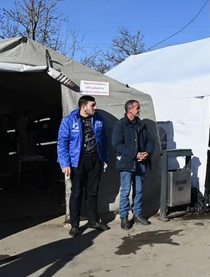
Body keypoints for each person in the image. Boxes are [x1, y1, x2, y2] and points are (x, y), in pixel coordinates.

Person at [58, 95, 110, 236]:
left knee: (92, 192)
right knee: (76, 193)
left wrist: (104, 158)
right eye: (92, 105)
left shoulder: (98, 119)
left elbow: (103, 140)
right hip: (77, 162)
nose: (95, 108)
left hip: (95, 160)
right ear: (83, 107)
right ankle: (74, 224)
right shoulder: (69, 120)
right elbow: (62, 142)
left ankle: (93, 220)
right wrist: (64, 163)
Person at [112, 99, 154, 230]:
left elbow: (150, 140)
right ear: (129, 110)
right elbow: (117, 145)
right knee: (125, 191)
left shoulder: (141, 125)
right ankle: (124, 217)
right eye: (137, 108)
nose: (139, 110)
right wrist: (134, 154)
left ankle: (137, 214)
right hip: (126, 163)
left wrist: (147, 152)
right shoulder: (120, 125)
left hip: (141, 162)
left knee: (139, 190)